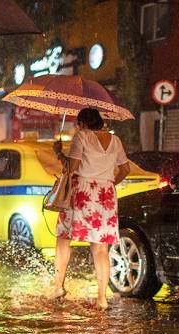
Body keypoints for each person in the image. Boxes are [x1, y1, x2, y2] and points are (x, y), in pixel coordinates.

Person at [50, 108, 130, 310]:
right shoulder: (116, 140)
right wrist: (109, 183)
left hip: (83, 192)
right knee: (100, 247)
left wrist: (59, 153)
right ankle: (101, 299)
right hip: (106, 195)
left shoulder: (82, 136)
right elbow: (125, 169)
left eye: (78, 124)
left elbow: (72, 167)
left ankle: (58, 286)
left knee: (63, 237)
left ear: (82, 124)